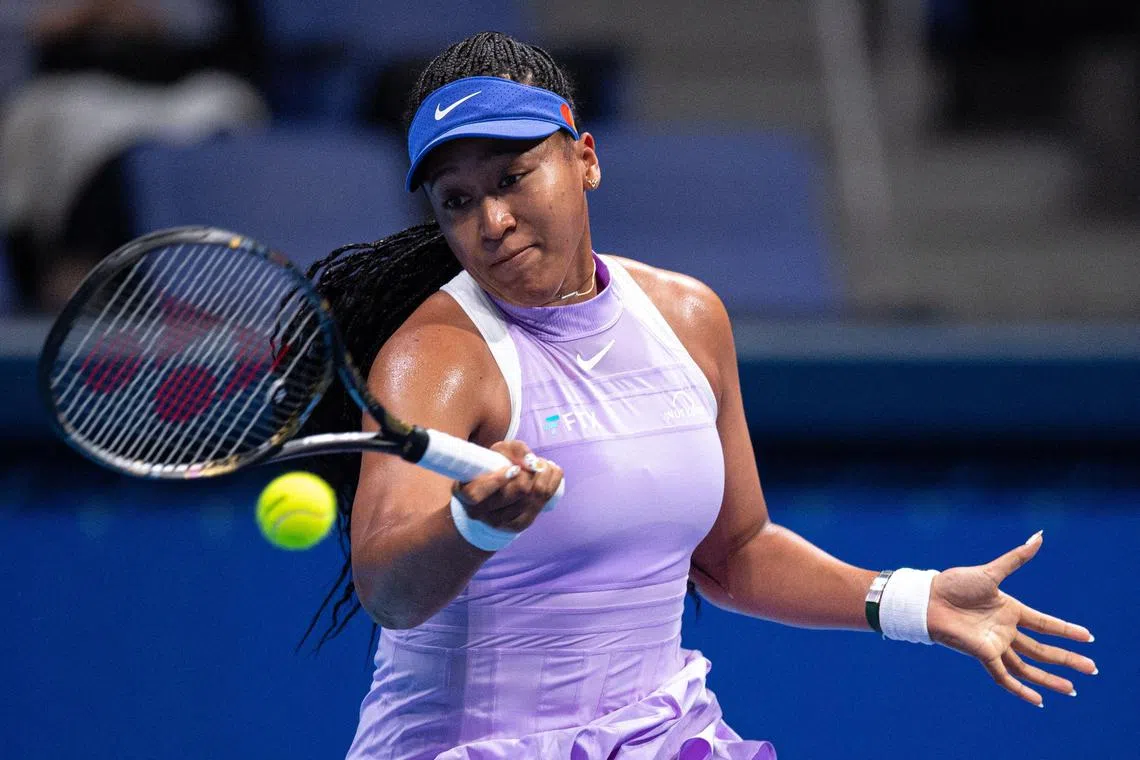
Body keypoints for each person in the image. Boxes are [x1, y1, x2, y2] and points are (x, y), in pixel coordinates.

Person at [300, 32, 1096, 760]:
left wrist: (911, 600)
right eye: (458, 200)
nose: (494, 221)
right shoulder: (435, 358)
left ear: (585, 158)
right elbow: (390, 592)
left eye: (512, 178)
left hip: (658, 735)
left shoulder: (688, 318)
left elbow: (733, 553)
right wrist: (472, 522)